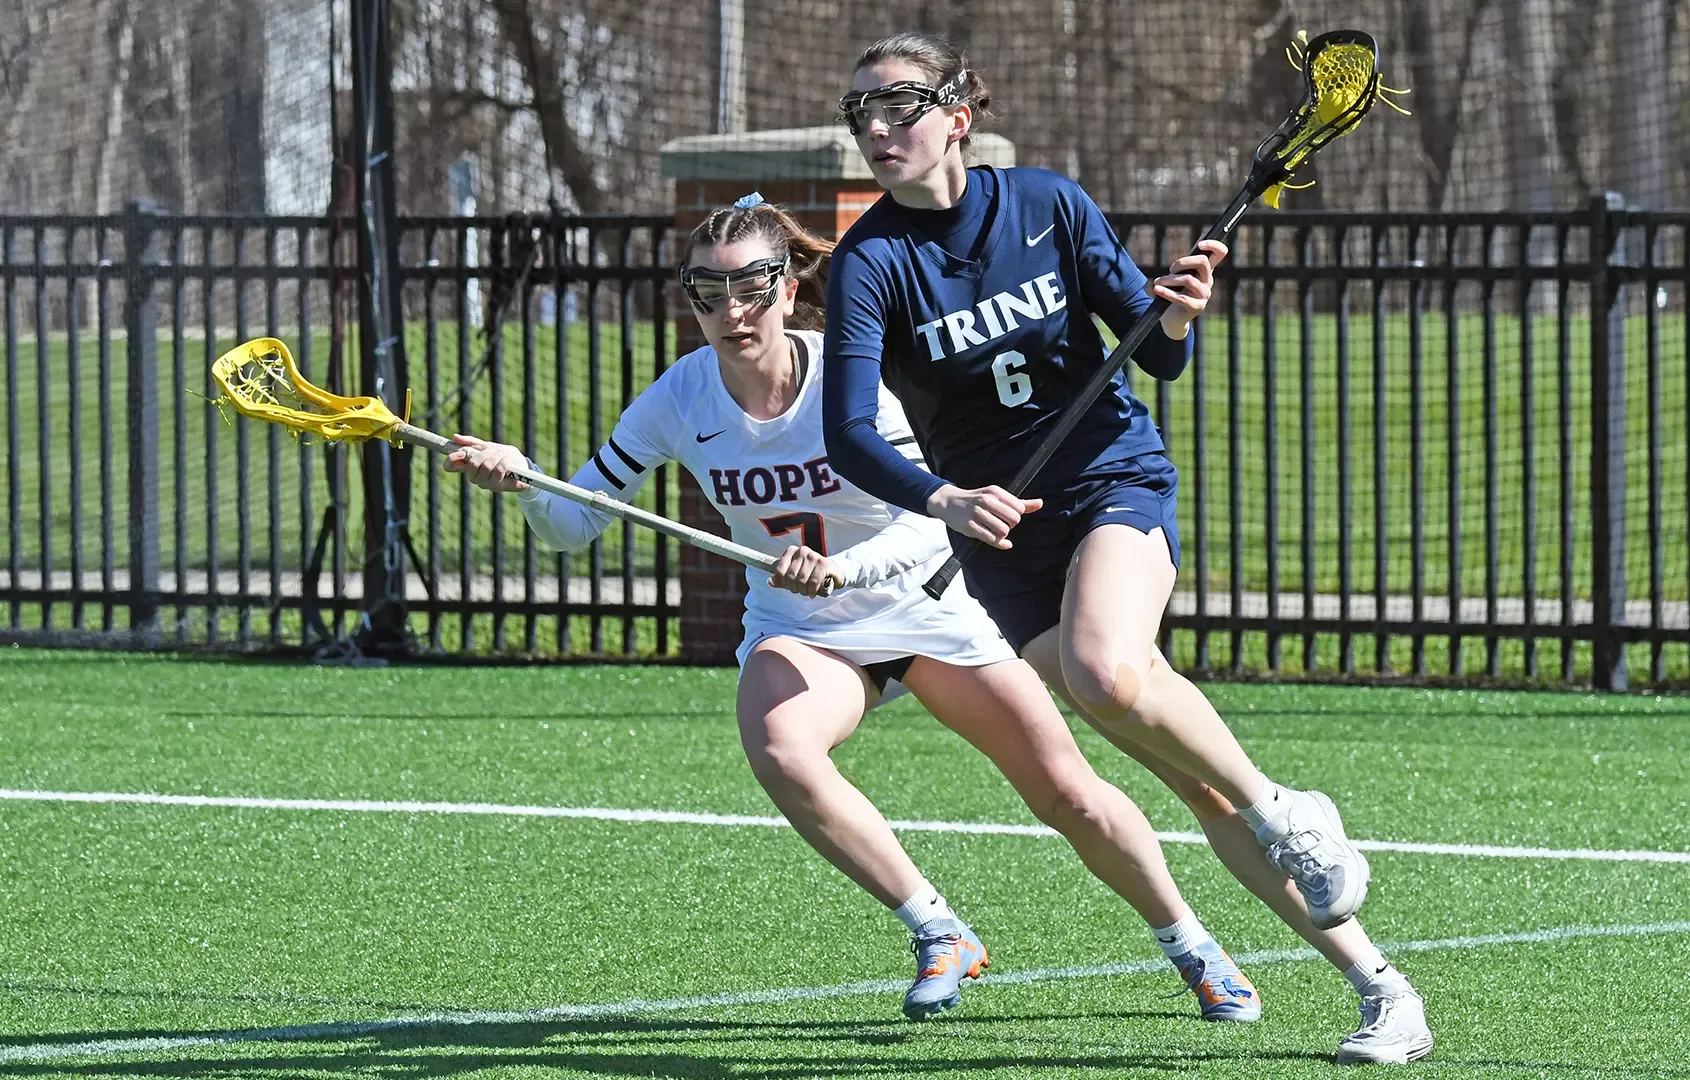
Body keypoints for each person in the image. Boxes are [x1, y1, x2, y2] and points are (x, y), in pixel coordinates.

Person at [444, 194, 1267, 1024]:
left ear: (791, 287)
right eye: (707, 295)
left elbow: (930, 523)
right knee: (779, 744)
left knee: (1070, 797)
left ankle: (1192, 944)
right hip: (804, 630)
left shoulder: (855, 377)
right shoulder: (680, 398)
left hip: (926, 607)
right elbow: (574, 524)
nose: (731, 314)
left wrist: (843, 571)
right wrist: (521, 481)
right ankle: (937, 927)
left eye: (750, 290)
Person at [819, 32, 1433, 1064]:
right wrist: (944, 498)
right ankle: (1382, 989)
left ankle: (1289, 807)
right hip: (1004, 535)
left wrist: (1177, 317)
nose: (879, 128)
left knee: (1108, 669)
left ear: (959, 115)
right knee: (1193, 784)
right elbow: (849, 432)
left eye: (903, 105)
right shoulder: (872, 264)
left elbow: (1152, 351)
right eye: (861, 114)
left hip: (1111, 478)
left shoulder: (1049, 203)